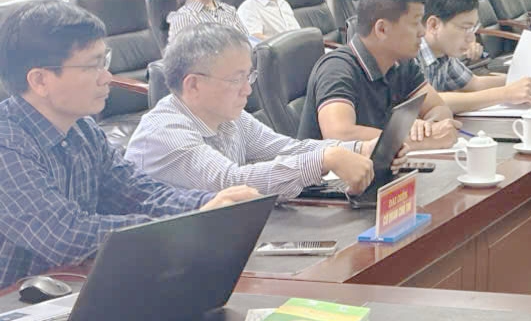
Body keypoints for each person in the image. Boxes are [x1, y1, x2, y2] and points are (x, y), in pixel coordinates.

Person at [0, 1, 257, 288]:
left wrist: (209, 205)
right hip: (11, 304)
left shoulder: (83, 130)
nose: (107, 77)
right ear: (40, 80)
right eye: (92, 66)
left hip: (66, 289)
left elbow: (138, 193)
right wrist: (185, 226)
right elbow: (64, 234)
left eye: (105, 62)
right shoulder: (7, 144)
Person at [126, 26, 374, 199]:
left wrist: (360, 149)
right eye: (237, 79)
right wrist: (324, 160)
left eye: (249, 76)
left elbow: (287, 149)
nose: (248, 89)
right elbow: (232, 183)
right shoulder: (164, 133)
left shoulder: (229, 117)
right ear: (193, 85)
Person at [297, 0, 456, 147]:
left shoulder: (402, 63)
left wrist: (428, 128)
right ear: (382, 29)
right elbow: (339, 133)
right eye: (415, 23)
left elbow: (438, 108)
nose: (422, 32)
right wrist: (422, 140)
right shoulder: (337, 69)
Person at [418, 0, 531, 110]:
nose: (471, 38)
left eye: (473, 29)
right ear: (434, 25)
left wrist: (527, 80)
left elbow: (473, 84)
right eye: (465, 28)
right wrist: (505, 94)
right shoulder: (411, 53)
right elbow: (425, 101)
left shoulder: (443, 52)